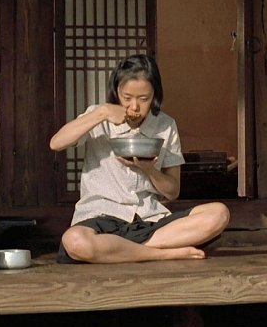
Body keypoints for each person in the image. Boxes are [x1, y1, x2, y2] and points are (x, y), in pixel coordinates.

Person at [50, 54, 230, 263]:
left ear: (155, 95)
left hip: (149, 220)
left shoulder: (165, 125)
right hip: (101, 217)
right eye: (127, 98)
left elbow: (173, 192)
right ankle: (164, 253)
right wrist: (102, 112)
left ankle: (120, 250)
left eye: (144, 99)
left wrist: (149, 169)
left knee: (219, 214)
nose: (134, 107)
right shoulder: (98, 116)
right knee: (74, 241)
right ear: (116, 91)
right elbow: (56, 143)